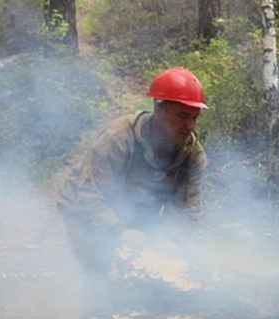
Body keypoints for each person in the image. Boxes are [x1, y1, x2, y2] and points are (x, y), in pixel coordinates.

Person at [57, 67, 209, 275]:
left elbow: (185, 212)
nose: (190, 125)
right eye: (183, 115)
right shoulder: (118, 137)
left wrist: (171, 242)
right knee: (98, 268)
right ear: (159, 110)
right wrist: (120, 232)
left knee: (148, 272)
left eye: (194, 117)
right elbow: (88, 197)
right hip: (82, 207)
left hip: (137, 216)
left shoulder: (193, 155)